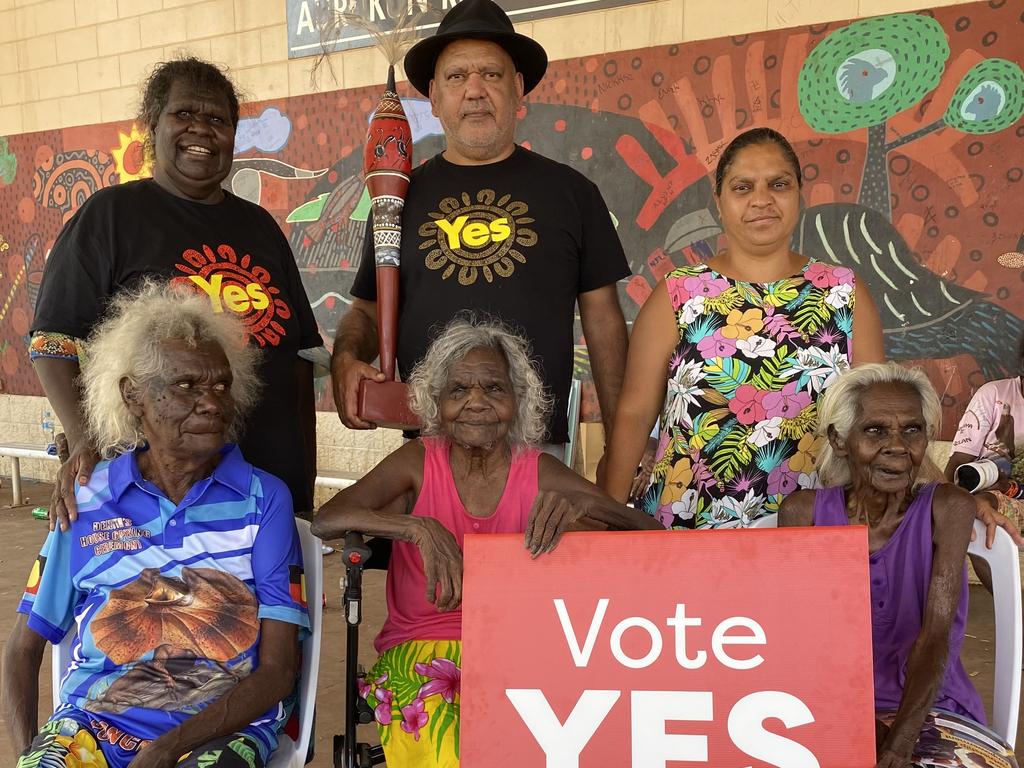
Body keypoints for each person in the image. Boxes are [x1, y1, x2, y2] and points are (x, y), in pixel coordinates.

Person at [312, 316, 660, 767]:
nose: (476, 402)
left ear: (517, 401)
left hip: (521, 647)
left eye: (494, 389)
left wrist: (585, 510)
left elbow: (652, 535)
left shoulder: (536, 468)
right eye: (458, 390)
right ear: (436, 403)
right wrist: (418, 527)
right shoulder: (419, 460)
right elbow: (327, 519)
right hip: (421, 649)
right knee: (447, 751)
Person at [2, 282, 309, 768]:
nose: (211, 402)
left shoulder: (263, 499)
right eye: (186, 386)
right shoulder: (86, 498)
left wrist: (166, 750)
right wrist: (34, 755)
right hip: (93, 725)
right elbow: (24, 647)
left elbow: (277, 671)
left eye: (221, 385)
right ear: (134, 396)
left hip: (224, 729)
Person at [30, 56, 322, 529]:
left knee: (270, 605)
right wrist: (84, 440)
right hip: (155, 495)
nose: (201, 130)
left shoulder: (262, 228)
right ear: (152, 126)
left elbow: (298, 361)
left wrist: (300, 485)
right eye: (184, 114)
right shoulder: (110, 217)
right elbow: (51, 342)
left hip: (263, 493)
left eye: (217, 120)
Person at [332, 0, 629, 455]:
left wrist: (620, 446)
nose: (474, 90)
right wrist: (347, 359)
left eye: (491, 74)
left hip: (535, 454)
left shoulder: (572, 193)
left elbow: (604, 323)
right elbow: (368, 311)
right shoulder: (396, 199)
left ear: (518, 87)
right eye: (457, 77)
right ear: (433, 95)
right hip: (427, 452)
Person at [602, 127, 886, 527]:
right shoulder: (678, 294)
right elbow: (634, 414)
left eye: (778, 184)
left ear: (798, 194)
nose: (761, 200)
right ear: (719, 202)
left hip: (813, 530)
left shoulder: (845, 293)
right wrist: (607, 523)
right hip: (688, 525)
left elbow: (881, 417)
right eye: (742, 187)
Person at [779, 363, 1018, 767]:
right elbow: (801, 640)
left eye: (912, 430)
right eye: (875, 430)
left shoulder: (948, 508)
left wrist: (898, 741)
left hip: (934, 709)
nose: (898, 446)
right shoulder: (803, 513)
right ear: (840, 440)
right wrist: (862, 728)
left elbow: (935, 637)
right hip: (827, 708)